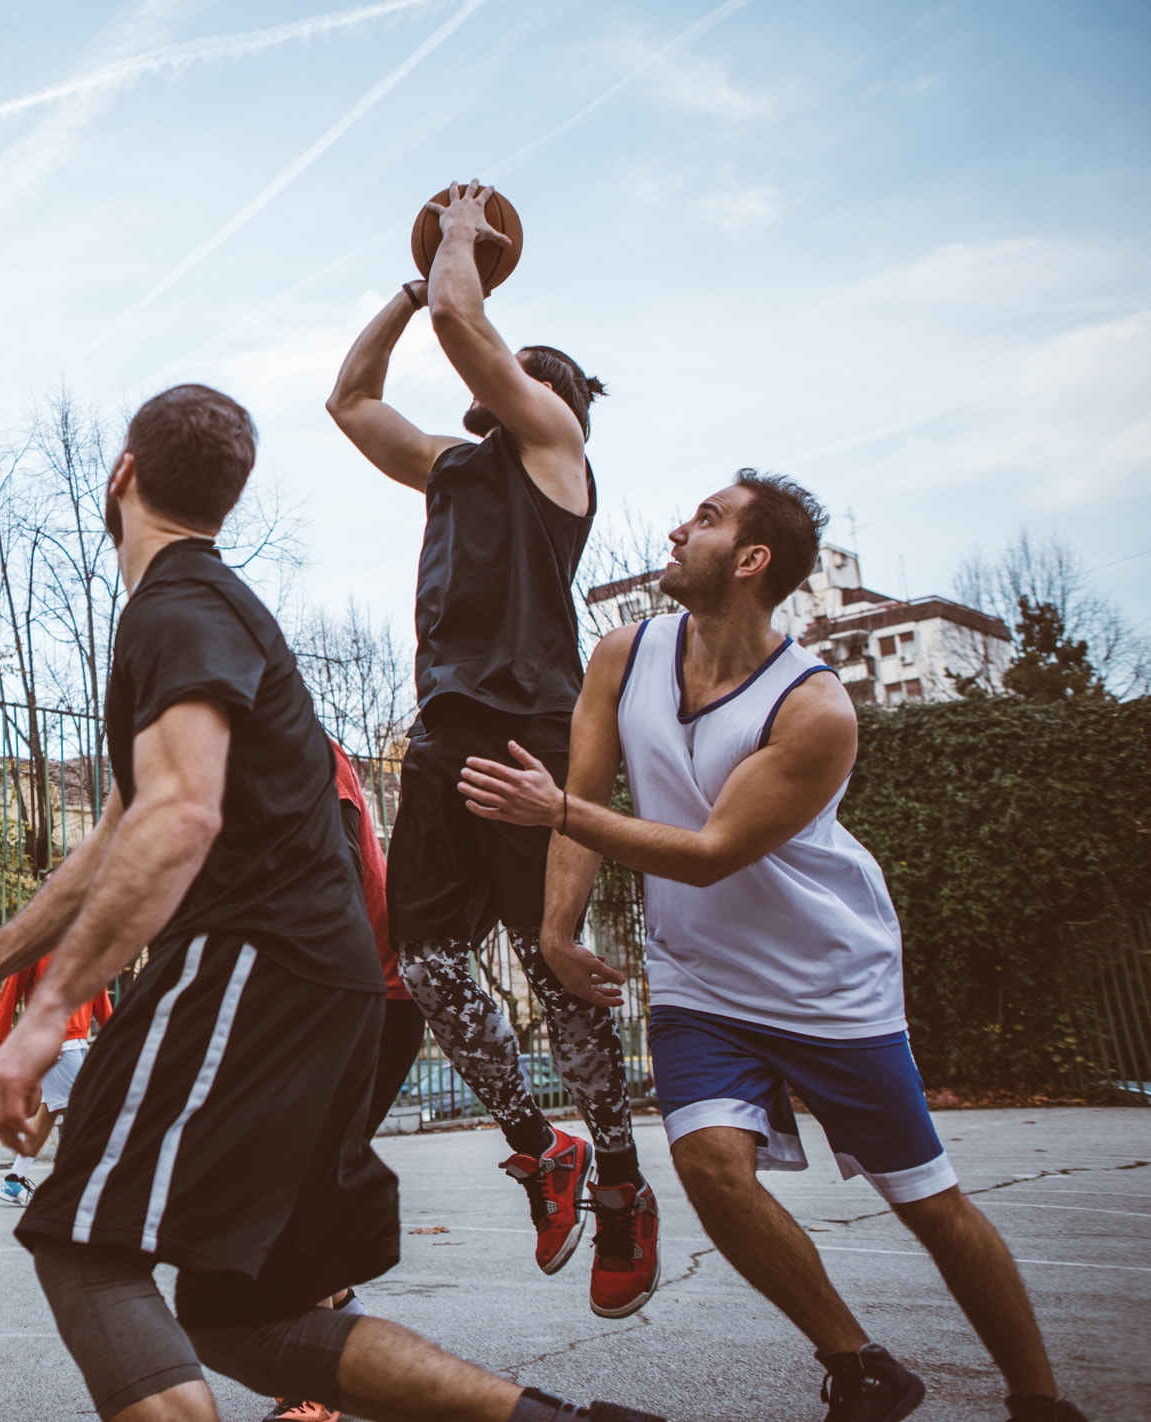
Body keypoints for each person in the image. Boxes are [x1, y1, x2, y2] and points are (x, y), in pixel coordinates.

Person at [0, 383, 661, 1422]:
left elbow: (179, 821)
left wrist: (45, 1016)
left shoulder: (178, 606)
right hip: (321, 982)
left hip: (253, 961)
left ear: (121, 478)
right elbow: (122, 823)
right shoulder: (203, 609)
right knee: (249, 1319)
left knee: (81, 1246)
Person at [457, 471, 1087, 1422]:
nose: (677, 527)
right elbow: (580, 810)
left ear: (751, 561)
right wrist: (554, 932)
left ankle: (1040, 1400)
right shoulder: (622, 657)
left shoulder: (812, 710)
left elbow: (709, 853)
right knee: (711, 1168)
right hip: (698, 978)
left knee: (928, 1205)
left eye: (705, 519)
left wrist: (562, 809)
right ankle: (859, 1365)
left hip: (825, 981)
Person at [325, 181, 656, 1318]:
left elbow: (470, 332)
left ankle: (618, 1181)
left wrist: (460, 244)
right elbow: (349, 399)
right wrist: (409, 287)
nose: (507, 375)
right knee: (424, 964)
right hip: (442, 734)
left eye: (526, 367)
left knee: (550, 959)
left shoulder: (556, 450)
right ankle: (541, 1149)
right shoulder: (451, 471)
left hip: (530, 734)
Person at [256, 740, 426, 1422]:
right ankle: (339, 1328)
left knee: (291, 1182)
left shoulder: (294, 746)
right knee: (296, 1179)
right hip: (355, 996)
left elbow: (337, 867)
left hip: (363, 1000)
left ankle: (313, 1382)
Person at [0, 956, 113, 1204]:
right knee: (89, 1107)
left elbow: (98, 992)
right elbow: (11, 990)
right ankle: (77, 1186)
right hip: (53, 1042)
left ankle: (14, 1180)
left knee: (52, 1108)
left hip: (75, 1041)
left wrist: (116, 1033)